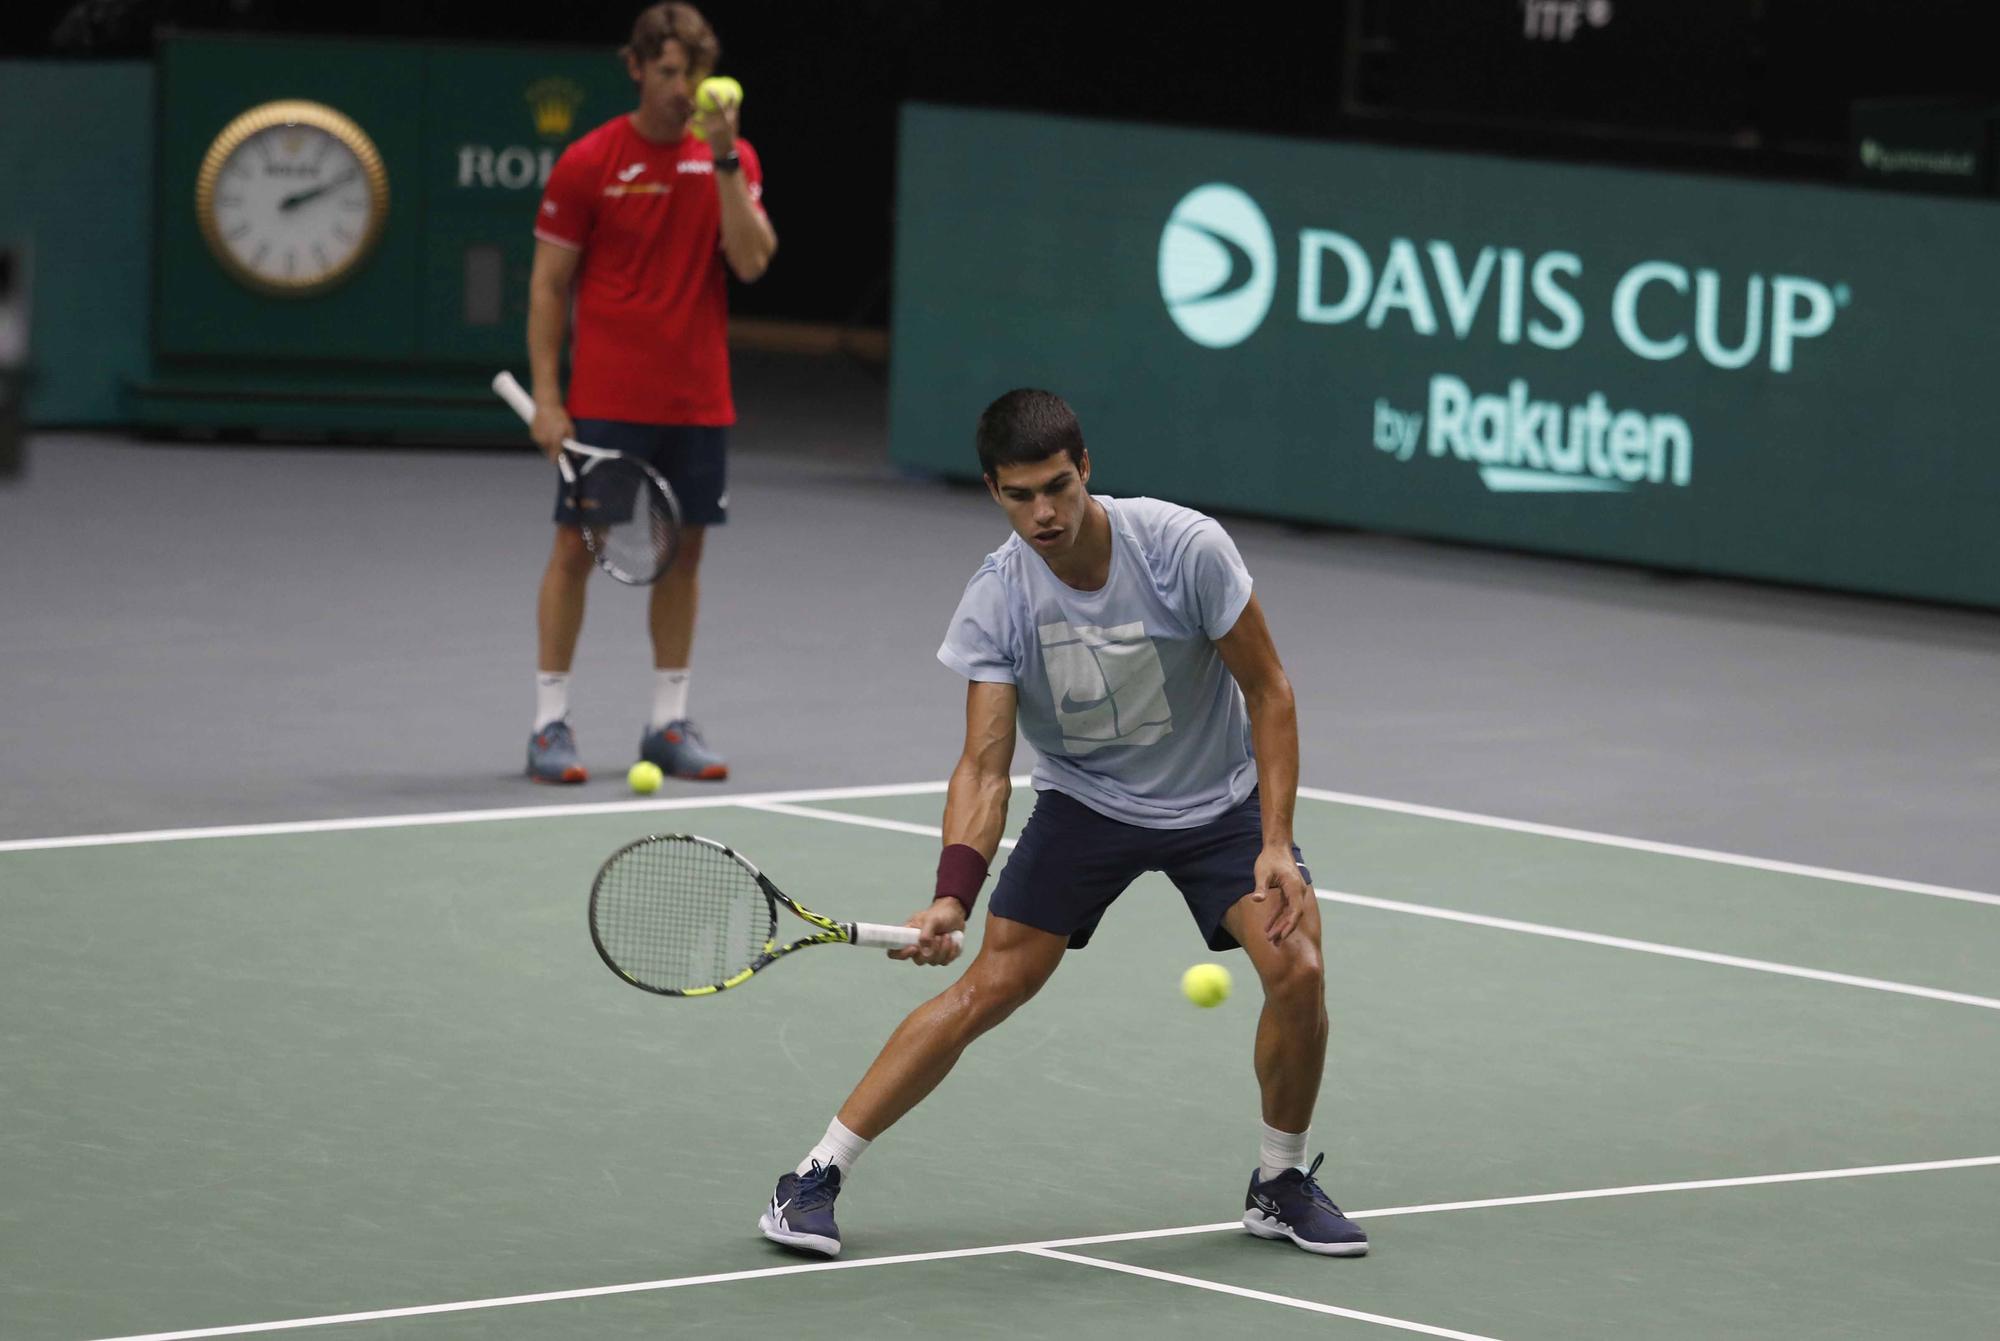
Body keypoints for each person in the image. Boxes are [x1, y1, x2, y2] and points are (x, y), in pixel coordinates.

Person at [757, 389, 1367, 1259]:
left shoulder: (1183, 549)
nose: (1043, 513)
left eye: (1056, 487)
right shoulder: (998, 598)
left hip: (1218, 805)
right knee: (987, 988)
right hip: (1087, 805)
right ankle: (812, 1177)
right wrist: (950, 894)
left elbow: (1270, 688)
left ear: (1087, 470)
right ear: (992, 492)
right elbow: (983, 762)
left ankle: (1279, 1181)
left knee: (1299, 966)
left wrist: (1274, 840)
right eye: (1019, 495)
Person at [522, 1, 776, 785]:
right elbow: (547, 286)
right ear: (636, 68)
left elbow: (752, 261)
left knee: (684, 556)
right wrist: (547, 396)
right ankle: (548, 725)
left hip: (698, 400)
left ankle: (667, 723)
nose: (681, 88)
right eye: (668, 72)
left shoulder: (731, 160)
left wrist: (728, 160)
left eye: (693, 74)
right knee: (574, 551)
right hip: (605, 400)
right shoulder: (590, 161)